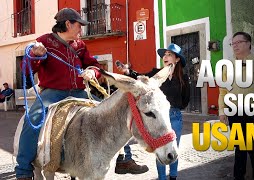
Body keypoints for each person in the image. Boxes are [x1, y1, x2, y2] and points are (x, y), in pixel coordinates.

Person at [15, 8, 103, 180]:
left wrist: (93, 72)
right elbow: (26, 71)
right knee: (32, 118)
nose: (81, 29)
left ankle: (123, 158)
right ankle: (23, 170)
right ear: (68, 24)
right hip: (52, 94)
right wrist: (34, 55)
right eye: (79, 25)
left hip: (79, 92)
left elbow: (94, 65)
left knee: (110, 109)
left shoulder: (80, 45)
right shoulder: (43, 42)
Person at [117, 43, 190, 180]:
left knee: (173, 150)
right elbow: (140, 79)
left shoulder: (183, 79)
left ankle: (173, 177)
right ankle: (161, 178)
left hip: (174, 117)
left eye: (169, 54)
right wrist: (128, 72)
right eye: (165, 55)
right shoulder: (156, 75)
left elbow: (186, 100)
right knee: (160, 148)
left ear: (177, 59)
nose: (165, 57)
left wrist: (172, 106)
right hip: (157, 117)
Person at [218, 31, 254, 180]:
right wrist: (222, 111)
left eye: (238, 42)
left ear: (248, 43)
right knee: (239, 151)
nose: (235, 46)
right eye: (233, 43)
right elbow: (223, 90)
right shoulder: (228, 65)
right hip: (235, 114)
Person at [89, 63, 149, 175]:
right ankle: (124, 161)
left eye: (104, 73)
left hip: (109, 118)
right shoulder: (90, 89)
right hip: (98, 120)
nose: (103, 76)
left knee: (120, 130)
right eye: (101, 73)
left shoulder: (111, 87)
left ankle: (124, 161)